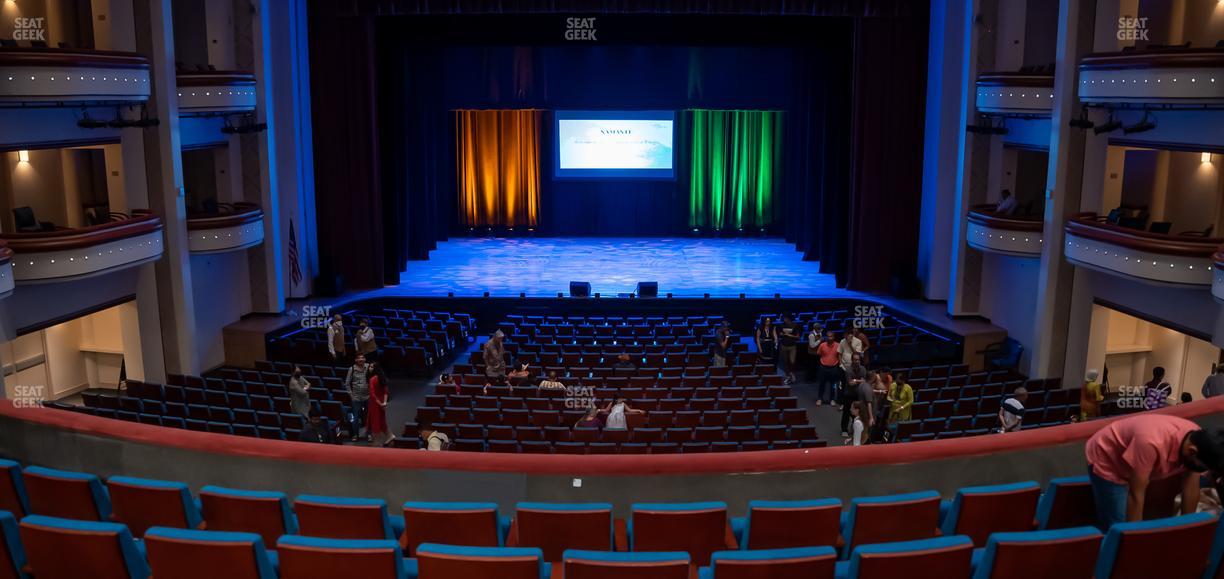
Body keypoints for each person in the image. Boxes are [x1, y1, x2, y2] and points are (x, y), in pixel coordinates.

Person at [1085, 414, 1224, 530]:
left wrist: (1186, 528)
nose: (1205, 471)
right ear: (1192, 451)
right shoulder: (1151, 442)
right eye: (1204, 467)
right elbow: (1136, 495)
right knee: (1118, 525)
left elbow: (1191, 486)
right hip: (1108, 459)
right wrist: (1132, 542)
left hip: (1140, 455)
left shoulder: (1199, 438)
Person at [344, 353, 370, 441]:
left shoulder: (368, 367)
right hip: (356, 398)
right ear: (356, 360)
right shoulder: (352, 369)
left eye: (363, 358)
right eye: (359, 358)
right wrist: (351, 396)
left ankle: (369, 434)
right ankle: (355, 435)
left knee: (368, 417)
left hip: (367, 397)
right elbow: (347, 383)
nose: (361, 359)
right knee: (356, 417)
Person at [841, 354, 867, 436]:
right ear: (852, 360)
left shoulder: (863, 369)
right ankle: (844, 430)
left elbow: (864, 381)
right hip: (849, 395)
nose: (857, 361)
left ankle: (853, 429)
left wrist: (855, 380)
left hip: (858, 395)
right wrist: (859, 381)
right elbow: (850, 383)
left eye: (858, 360)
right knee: (846, 412)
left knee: (857, 413)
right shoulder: (848, 370)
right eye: (855, 360)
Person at [366, 361, 391, 446]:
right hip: (381, 403)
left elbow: (372, 395)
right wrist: (384, 403)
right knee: (381, 421)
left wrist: (380, 404)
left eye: (371, 367)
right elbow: (386, 392)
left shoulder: (372, 379)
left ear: (375, 369)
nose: (369, 368)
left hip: (375, 404)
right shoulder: (382, 378)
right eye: (369, 367)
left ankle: (377, 442)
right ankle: (390, 436)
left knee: (375, 422)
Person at [815, 331, 841, 406]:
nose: (829, 338)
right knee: (821, 384)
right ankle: (820, 398)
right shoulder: (822, 345)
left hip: (834, 368)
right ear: (826, 337)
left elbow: (839, 356)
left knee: (833, 385)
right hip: (823, 368)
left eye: (831, 336)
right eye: (828, 336)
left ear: (834, 337)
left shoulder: (838, 345)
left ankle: (832, 399)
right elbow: (819, 354)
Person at [778, 314, 800, 384]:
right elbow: (780, 334)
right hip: (783, 345)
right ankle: (788, 376)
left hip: (792, 346)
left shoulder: (795, 325)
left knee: (792, 362)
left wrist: (789, 335)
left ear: (788, 318)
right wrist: (781, 334)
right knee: (785, 362)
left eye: (785, 318)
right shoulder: (782, 325)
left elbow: (797, 337)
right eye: (784, 318)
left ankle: (791, 374)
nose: (784, 319)